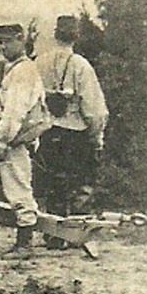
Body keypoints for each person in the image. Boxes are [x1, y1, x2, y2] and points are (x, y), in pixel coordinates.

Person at [33, 15, 108, 237]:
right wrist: (95, 136)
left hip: (47, 131)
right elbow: (93, 109)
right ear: (76, 36)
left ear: (55, 34)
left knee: (53, 184)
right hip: (75, 133)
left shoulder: (40, 62)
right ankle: (77, 233)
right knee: (79, 184)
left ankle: (53, 234)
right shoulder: (80, 65)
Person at [0, 23, 49, 255]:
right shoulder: (16, 68)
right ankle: (24, 238)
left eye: (6, 41)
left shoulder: (23, 71)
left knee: (18, 187)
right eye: (0, 42)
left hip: (17, 138)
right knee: (17, 184)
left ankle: (24, 242)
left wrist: (2, 140)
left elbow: (15, 110)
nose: (2, 46)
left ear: (20, 40)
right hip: (20, 135)